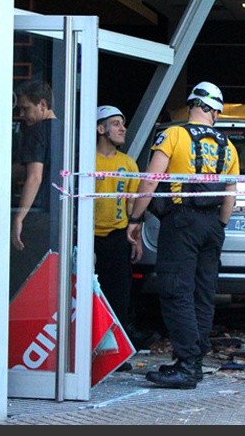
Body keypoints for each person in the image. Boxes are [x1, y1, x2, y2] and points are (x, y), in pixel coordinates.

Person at [126, 81, 240, 389]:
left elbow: (151, 181)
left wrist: (135, 219)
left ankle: (187, 365)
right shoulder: (228, 146)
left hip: (182, 223)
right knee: (203, 294)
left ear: (192, 105)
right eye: (216, 111)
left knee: (176, 291)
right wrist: (219, 227)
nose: (216, 116)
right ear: (211, 109)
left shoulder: (174, 135)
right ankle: (194, 362)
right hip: (212, 226)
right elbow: (230, 195)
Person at [92, 105, 151, 366]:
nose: (122, 128)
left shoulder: (128, 164)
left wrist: (135, 238)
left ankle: (116, 353)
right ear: (100, 128)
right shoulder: (85, 161)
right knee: (88, 295)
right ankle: (88, 349)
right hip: (87, 236)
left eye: (122, 123)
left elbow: (131, 205)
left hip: (117, 237)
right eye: (115, 123)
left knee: (118, 296)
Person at [10, 80, 59, 299]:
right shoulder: (71, 132)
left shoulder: (36, 131)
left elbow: (35, 176)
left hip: (39, 216)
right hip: (66, 216)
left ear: (42, 104)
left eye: (25, 108)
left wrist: (20, 217)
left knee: (26, 280)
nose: (22, 114)